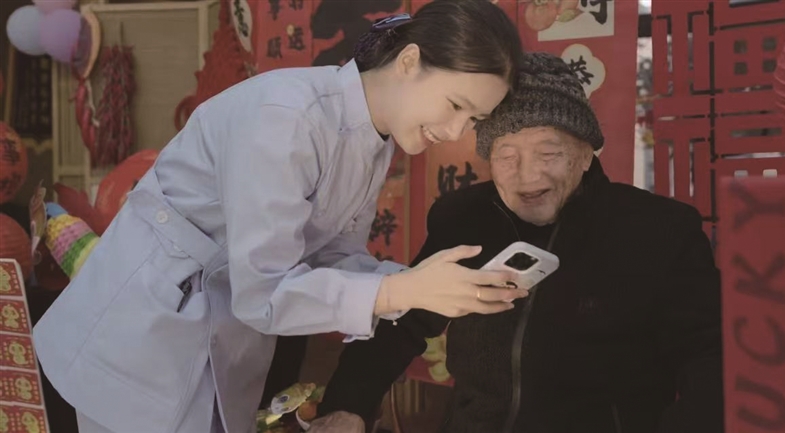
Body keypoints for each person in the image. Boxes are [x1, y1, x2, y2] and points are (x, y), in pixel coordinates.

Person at [31, 2, 527, 432]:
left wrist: (420, 282)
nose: (457, 131)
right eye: (455, 105)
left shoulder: (373, 137)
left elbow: (330, 254)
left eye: (474, 120)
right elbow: (264, 292)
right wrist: (402, 290)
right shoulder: (288, 116)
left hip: (213, 330)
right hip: (144, 332)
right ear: (409, 61)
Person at [310, 52, 724, 433]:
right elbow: (405, 320)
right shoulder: (464, 219)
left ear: (586, 155)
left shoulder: (658, 231)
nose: (528, 177)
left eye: (548, 154)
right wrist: (349, 405)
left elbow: (708, 357)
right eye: (507, 156)